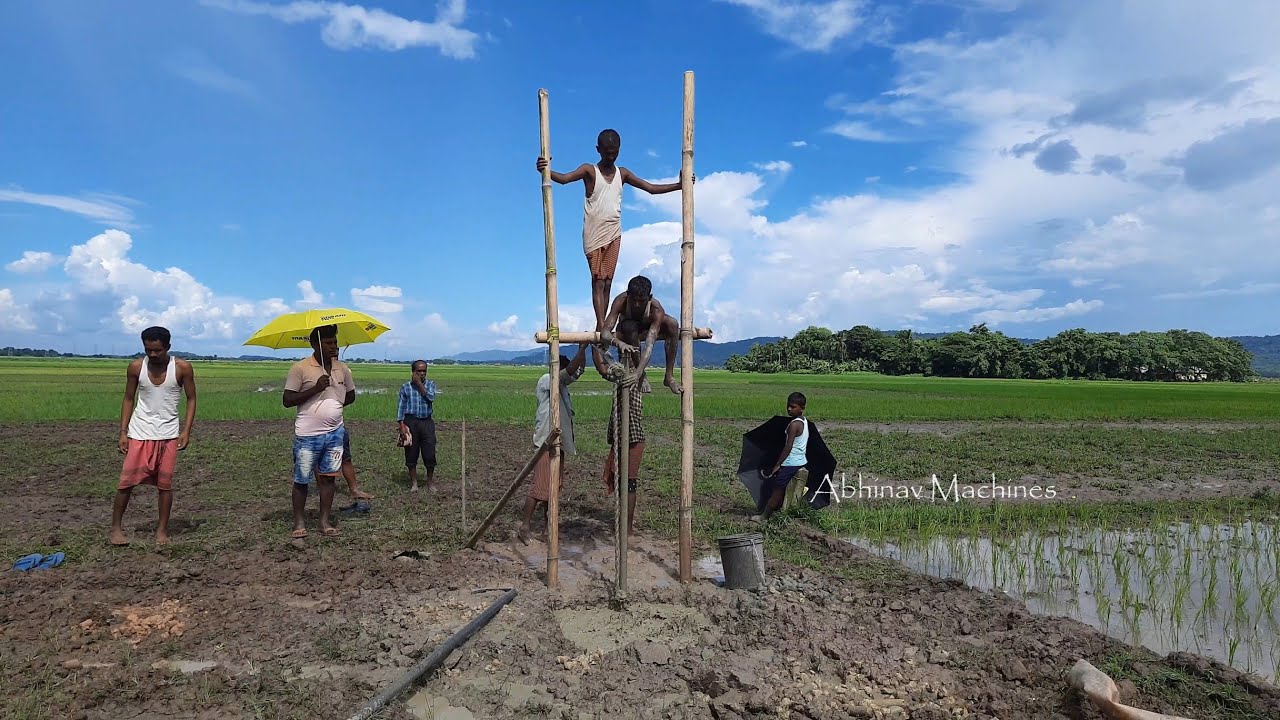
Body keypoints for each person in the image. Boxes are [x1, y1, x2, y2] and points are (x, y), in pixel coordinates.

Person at [536, 129, 688, 333]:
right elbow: (564, 179)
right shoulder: (589, 171)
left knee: (607, 281)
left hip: (613, 232)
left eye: (614, 153)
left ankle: (604, 322)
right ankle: (601, 324)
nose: (610, 156)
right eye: (607, 152)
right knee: (598, 280)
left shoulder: (622, 173)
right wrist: (546, 170)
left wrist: (679, 186)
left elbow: (650, 188)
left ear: (619, 151)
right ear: (598, 150)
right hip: (594, 233)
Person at [111, 326, 197, 546]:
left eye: (157, 350)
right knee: (126, 483)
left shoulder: (182, 368)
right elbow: (128, 398)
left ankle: (161, 532)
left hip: (168, 434)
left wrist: (186, 431)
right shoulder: (136, 367)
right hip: (139, 432)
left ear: (168, 347)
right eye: (148, 350)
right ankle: (116, 529)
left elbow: (191, 399)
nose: (152, 355)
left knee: (165, 485)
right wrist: (123, 432)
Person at [282, 324, 355, 538]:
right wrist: (316, 389)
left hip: (335, 434)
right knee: (302, 479)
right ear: (315, 345)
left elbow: (350, 396)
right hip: (307, 436)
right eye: (329, 343)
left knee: (329, 478)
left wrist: (334, 406)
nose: (335, 347)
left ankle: (324, 522)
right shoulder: (300, 368)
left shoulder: (343, 369)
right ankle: (299, 523)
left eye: (335, 342)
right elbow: (287, 400)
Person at [519, 343, 589, 544]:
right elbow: (570, 372)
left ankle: (548, 527)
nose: (571, 370)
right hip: (546, 443)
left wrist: (584, 352)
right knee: (540, 488)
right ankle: (525, 527)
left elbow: (578, 370)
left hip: (559, 443)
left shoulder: (562, 385)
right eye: (566, 366)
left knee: (553, 488)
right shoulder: (547, 380)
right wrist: (582, 349)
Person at [594, 324, 646, 537]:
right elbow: (602, 368)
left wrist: (625, 345)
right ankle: (623, 523)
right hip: (621, 436)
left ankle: (628, 526)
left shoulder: (635, 375)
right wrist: (595, 347)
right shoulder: (619, 372)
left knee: (629, 482)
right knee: (621, 480)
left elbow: (608, 367)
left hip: (633, 437)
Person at [601, 275, 683, 395]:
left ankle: (669, 376)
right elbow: (605, 332)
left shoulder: (656, 309)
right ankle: (642, 375)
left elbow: (650, 343)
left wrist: (637, 372)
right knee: (630, 326)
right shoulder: (621, 301)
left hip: (647, 329)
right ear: (628, 295)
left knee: (673, 324)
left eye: (642, 301)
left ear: (649, 298)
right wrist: (619, 342)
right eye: (634, 300)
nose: (637, 304)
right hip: (627, 329)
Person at [754, 392, 809, 523]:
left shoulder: (793, 425)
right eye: (788, 406)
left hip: (790, 462)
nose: (789, 409)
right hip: (800, 460)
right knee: (780, 486)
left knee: (777, 489)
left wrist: (778, 464)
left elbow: (788, 447)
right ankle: (779, 509)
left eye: (793, 406)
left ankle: (764, 517)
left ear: (802, 408)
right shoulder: (804, 421)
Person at [397, 360, 437, 493]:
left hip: (426, 422)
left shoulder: (430, 385)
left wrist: (420, 385)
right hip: (411, 422)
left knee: (429, 453)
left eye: (424, 371)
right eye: (418, 371)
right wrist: (401, 425)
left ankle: (430, 481)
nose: (421, 373)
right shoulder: (405, 387)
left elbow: (431, 397)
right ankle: (414, 483)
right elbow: (401, 408)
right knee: (411, 453)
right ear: (413, 372)